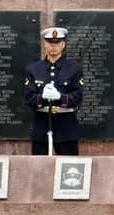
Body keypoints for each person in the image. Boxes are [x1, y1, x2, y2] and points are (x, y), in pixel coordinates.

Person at [24, 27, 84, 155]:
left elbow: (78, 97)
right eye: (50, 43)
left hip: (66, 127)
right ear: (45, 44)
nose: (53, 46)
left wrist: (60, 97)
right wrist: (42, 97)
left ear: (63, 45)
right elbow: (28, 98)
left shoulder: (74, 69)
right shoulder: (33, 69)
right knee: (39, 166)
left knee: (68, 165)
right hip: (41, 126)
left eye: (57, 43)